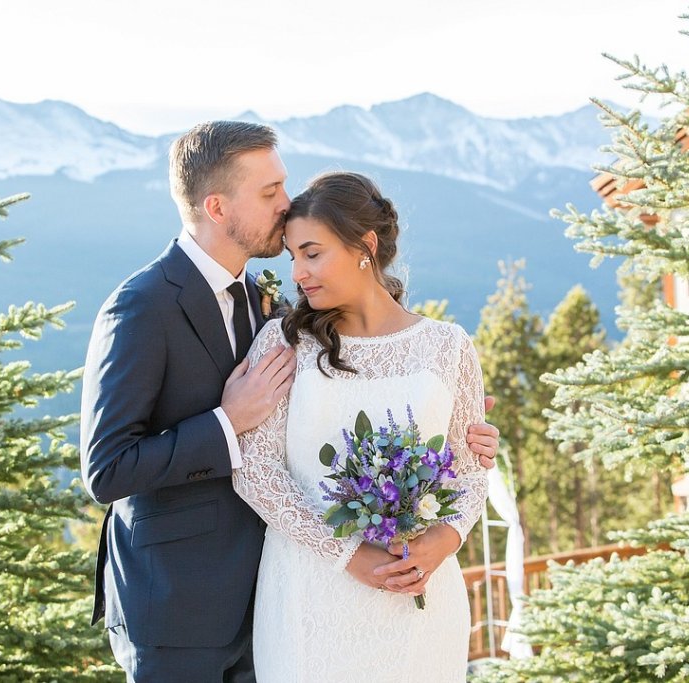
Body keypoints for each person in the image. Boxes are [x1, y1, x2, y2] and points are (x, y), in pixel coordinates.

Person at [80, 122, 500, 683]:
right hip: (178, 604)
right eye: (270, 191)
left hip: (269, 594)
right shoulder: (141, 306)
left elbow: (365, 377)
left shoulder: (267, 303)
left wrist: (460, 438)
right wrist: (228, 423)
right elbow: (106, 469)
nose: (285, 203)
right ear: (217, 206)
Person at [232, 171, 487, 682]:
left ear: (364, 246)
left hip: (419, 592)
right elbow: (255, 472)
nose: (299, 273)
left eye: (312, 252)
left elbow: (471, 465)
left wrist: (448, 536)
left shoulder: (448, 346)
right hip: (311, 593)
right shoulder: (284, 345)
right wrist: (349, 554)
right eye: (292, 258)